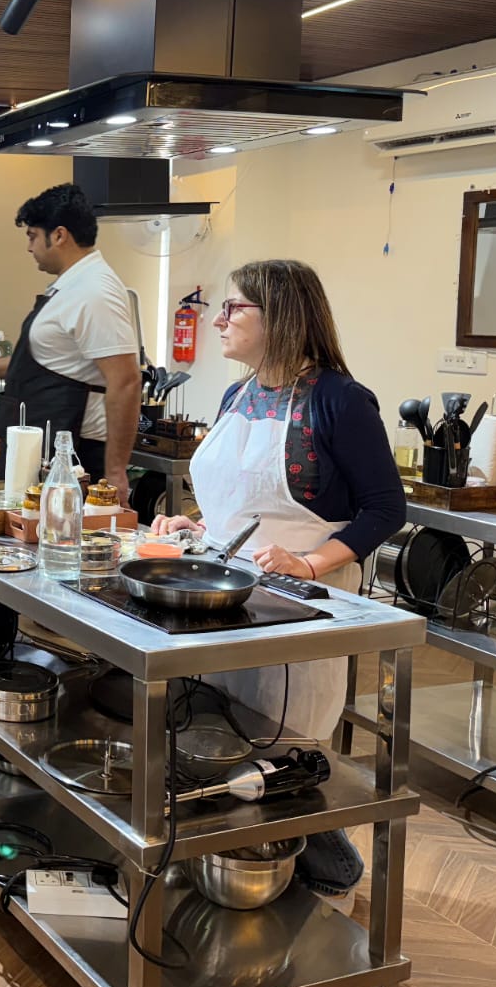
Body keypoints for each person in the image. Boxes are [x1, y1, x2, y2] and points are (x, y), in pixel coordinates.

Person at [151, 258, 405, 899]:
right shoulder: (237, 395)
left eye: (233, 307)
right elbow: (240, 504)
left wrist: (310, 563)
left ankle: (325, 869)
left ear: (280, 317)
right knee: (218, 732)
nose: (218, 320)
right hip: (223, 594)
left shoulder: (339, 400)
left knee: (281, 746)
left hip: (299, 603)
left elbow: (385, 508)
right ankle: (235, 859)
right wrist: (194, 527)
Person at [0, 183, 141, 503]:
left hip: (71, 458)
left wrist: (115, 474)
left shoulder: (96, 292)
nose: (29, 247)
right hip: (36, 450)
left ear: (59, 235)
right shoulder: (68, 287)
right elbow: (35, 362)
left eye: (32, 236)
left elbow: (126, 381)